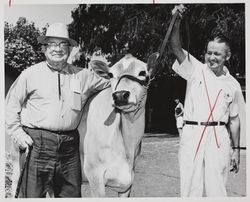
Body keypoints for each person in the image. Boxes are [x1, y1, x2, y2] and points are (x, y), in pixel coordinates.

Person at [5, 22, 110, 198]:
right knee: (32, 196)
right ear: (44, 49)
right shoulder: (30, 74)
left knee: (71, 196)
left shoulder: (83, 75)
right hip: (37, 145)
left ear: (69, 49)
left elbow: (112, 83)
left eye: (63, 44)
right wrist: (19, 135)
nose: (57, 49)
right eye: (52, 44)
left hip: (70, 148)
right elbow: (10, 107)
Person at [170, 5, 245, 197]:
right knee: (189, 190)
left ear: (227, 56)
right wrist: (176, 21)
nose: (211, 57)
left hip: (219, 137)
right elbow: (176, 47)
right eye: (209, 52)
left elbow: (235, 120)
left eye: (217, 54)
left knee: (217, 190)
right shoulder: (194, 68)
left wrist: (236, 150)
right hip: (192, 134)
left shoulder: (234, 85)